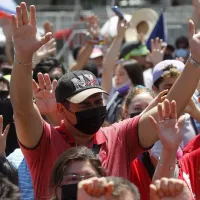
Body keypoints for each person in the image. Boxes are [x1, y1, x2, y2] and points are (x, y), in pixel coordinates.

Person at [10, 2, 200, 199]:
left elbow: (171, 108)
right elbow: (23, 108)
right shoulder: (44, 142)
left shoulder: (119, 137)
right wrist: (23, 57)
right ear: (61, 110)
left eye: (97, 101)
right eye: (84, 104)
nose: (94, 108)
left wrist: (195, 60)